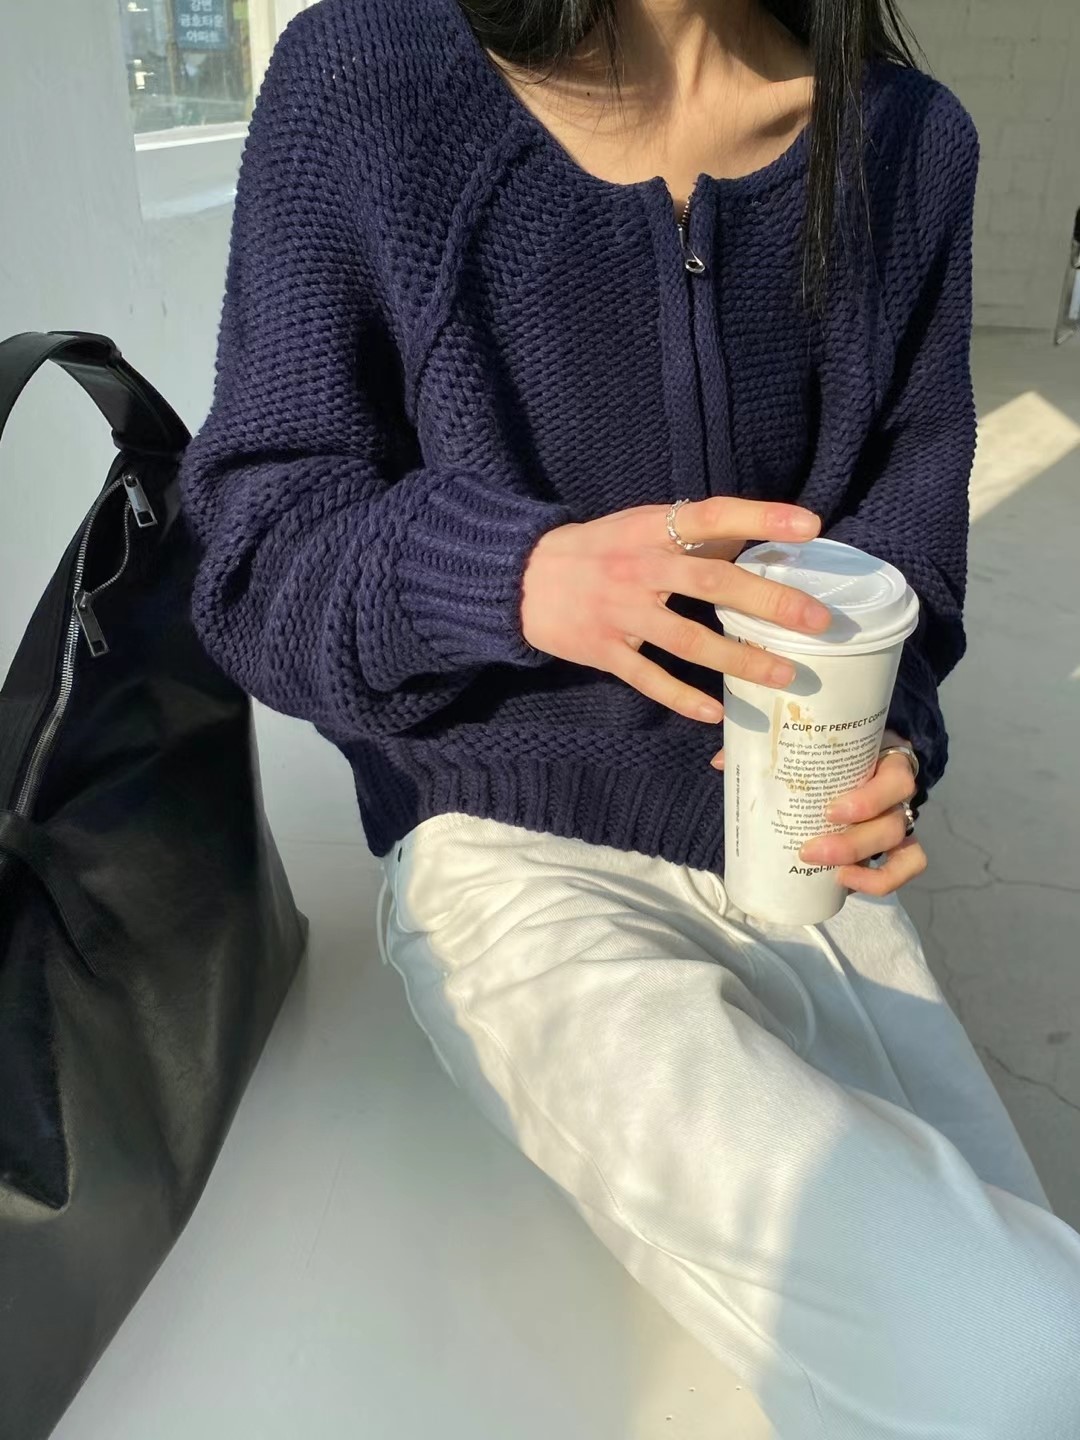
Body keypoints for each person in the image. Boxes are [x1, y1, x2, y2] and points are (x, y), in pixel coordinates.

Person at [179, 0, 1080, 1433]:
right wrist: (522, 577)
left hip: (797, 851)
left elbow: (906, 538)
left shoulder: (911, 147)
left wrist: (892, 734)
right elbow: (252, 559)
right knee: (1022, 1367)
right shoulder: (368, 80)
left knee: (1023, 1314)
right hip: (508, 856)